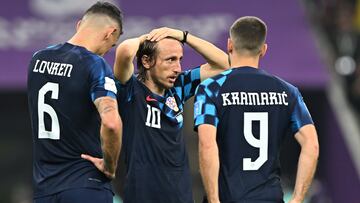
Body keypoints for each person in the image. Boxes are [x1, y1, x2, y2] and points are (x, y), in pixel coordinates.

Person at [194, 16, 319, 203]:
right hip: (270, 197)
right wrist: (298, 198)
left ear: (229, 45)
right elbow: (312, 144)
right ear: (264, 49)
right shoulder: (287, 91)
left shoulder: (211, 88)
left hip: (229, 197)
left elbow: (207, 144)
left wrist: (213, 199)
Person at [113, 28, 229, 203]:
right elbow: (124, 51)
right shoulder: (130, 89)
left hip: (179, 193)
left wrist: (184, 36)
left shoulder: (178, 88)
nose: (178, 68)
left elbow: (225, 65)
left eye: (179, 60)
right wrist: (148, 38)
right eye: (170, 60)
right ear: (146, 61)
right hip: (142, 194)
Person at [27, 2, 123, 202]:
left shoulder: (38, 59)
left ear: (79, 24)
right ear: (110, 33)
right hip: (85, 185)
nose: (106, 51)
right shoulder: (94, 64)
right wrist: (110, 165)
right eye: (111, 45)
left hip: (44, 189)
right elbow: (112, 123)